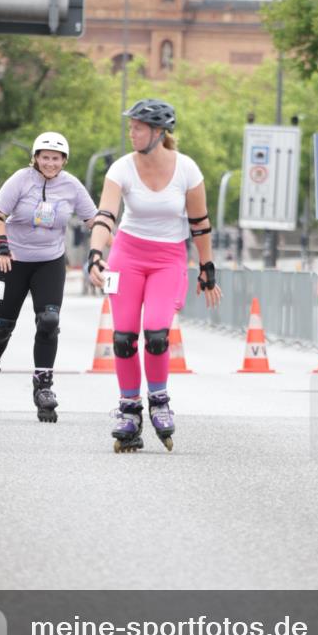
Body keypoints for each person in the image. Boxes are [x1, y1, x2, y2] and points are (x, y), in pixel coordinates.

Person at [88, 98, 221, 453]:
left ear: (159, 132)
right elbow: (105, 215)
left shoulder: (187, 170)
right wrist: (96, 254)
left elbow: (200, 224)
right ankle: (129, 409)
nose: (131, 133)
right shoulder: (121, 168)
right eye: (130, 126)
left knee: (158, 334)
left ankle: (159, 399)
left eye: (138, 127)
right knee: (123, 338)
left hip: (168, 259)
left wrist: (207, 268)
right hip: (127, 256)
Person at [0, 131, 97, 421]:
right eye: (45, 157)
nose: (50, 163)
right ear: (36, 158)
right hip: (11, 260)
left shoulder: (72, 186)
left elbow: (95, 220)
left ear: (64, 160)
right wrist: (2, 246)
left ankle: (43, 385)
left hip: (49, 262)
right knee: (1, 327)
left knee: (49, 320)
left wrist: (106, 243)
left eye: (56, 158)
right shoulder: (21, 180)